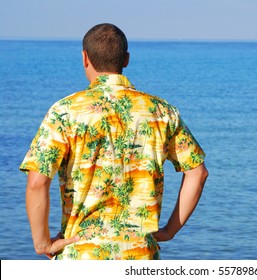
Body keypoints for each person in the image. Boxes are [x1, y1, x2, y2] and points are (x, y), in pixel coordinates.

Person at [19, 23, 208, 260]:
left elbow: (37, 183)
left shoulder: (65, 112)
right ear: (126, 60)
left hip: (82, 257)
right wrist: (170, 230)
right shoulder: (162, 112)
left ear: (85, 58)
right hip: (140, 256)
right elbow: (197, 173)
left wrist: (43, 243)